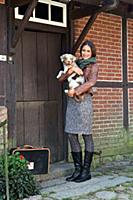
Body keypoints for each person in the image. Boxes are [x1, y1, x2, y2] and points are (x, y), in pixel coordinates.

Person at [58, 40, 99, 183]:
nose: (85, 53)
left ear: (92, 52)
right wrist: (69, 71)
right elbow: (61, 79)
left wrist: (75, 90)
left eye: (88, 51)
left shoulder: (93, 65)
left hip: (84, 101)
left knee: (86, 134)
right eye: (83, 51)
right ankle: (78, 169)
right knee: (71, 133)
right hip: (72, 102)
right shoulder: (74, 63)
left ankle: (86, 171)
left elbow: (91, 82)